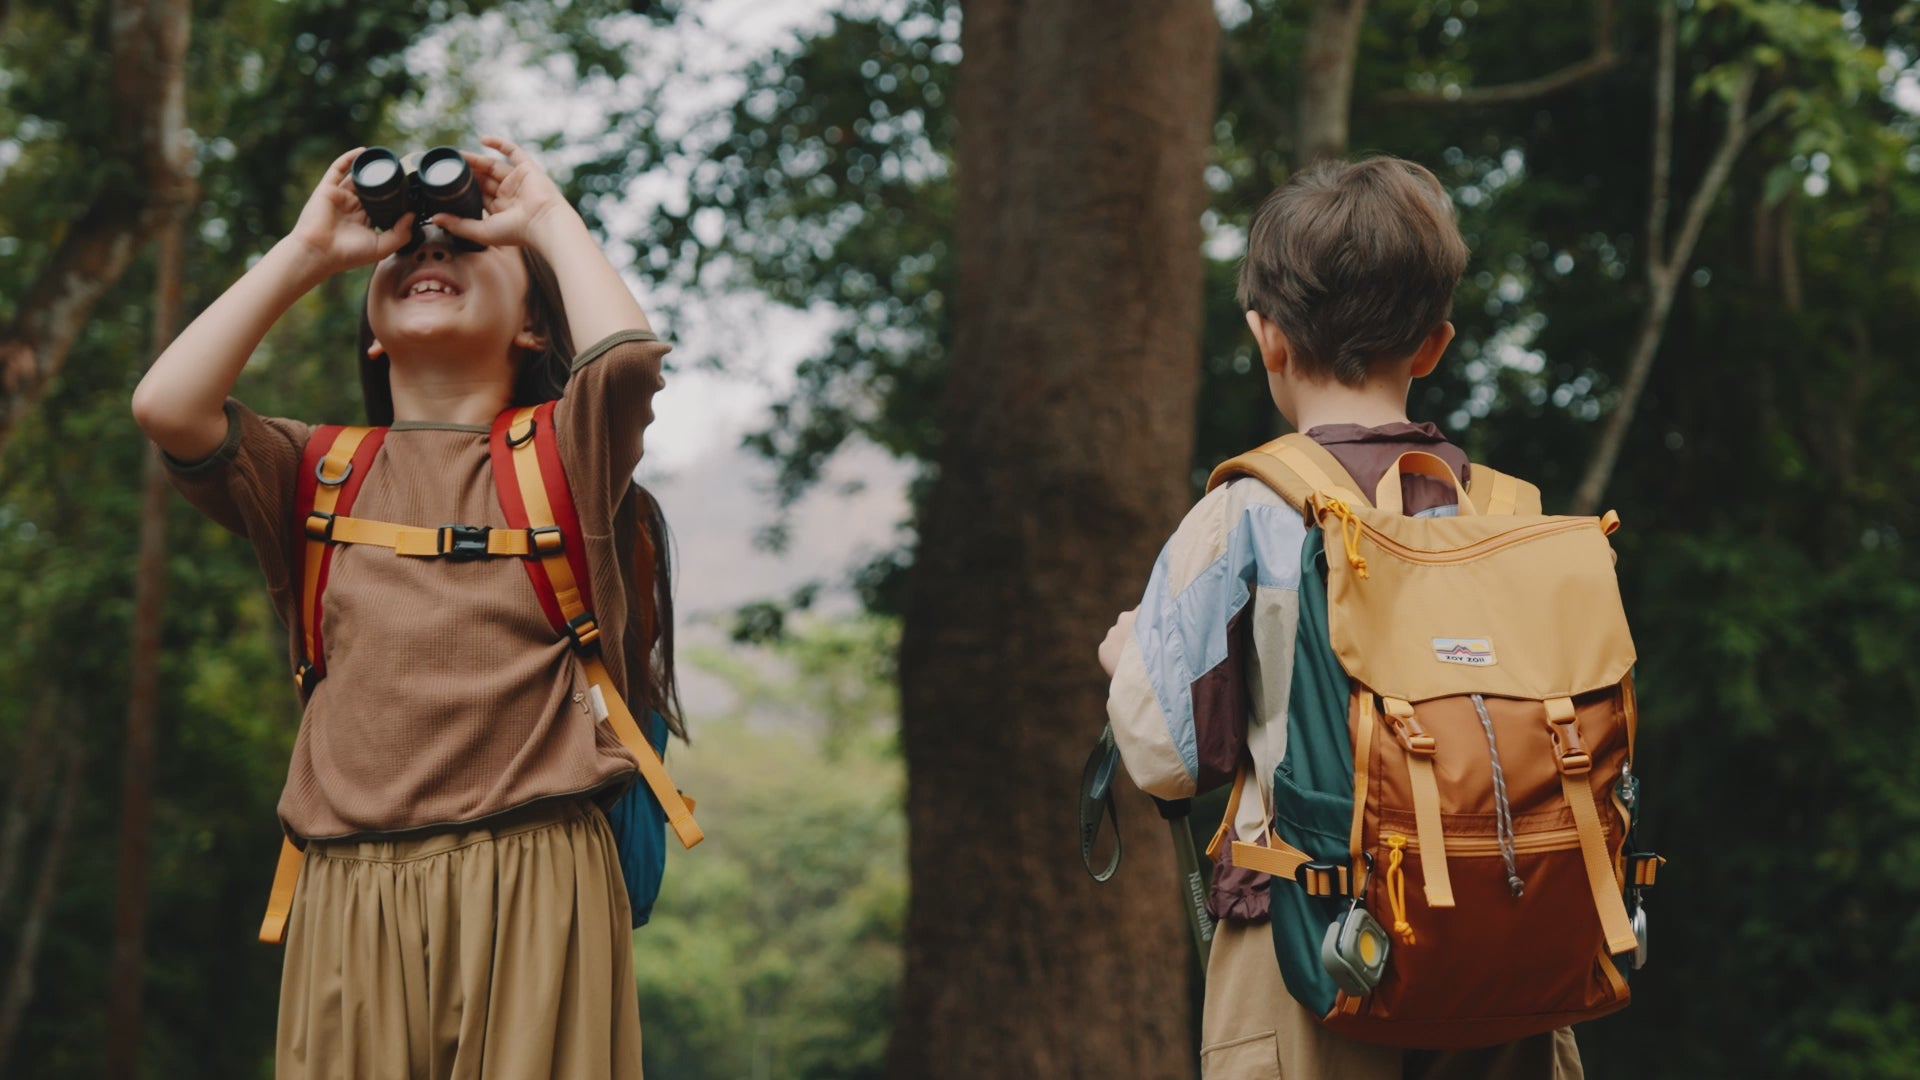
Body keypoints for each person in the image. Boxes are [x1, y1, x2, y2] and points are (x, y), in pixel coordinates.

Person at [132, 134, 675, 1077]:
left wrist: (543, 217)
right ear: (374, 332)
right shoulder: (315, 471)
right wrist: (309, 251)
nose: (432, 250)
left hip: (535, 868)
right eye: (408, 247)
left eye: (465, 243)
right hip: (348, 883)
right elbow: (169, 407)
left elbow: (625, 362)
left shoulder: (565, 455)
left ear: (536, 328)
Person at [1097, 157, 1583, 1079]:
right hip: (1515, 945)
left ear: (1266, 337)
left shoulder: (1250, 510)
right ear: (1434, 345)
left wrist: (1129, 662)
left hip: (1313, 949)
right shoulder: (1513, 516)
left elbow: (1168, 755)